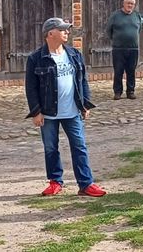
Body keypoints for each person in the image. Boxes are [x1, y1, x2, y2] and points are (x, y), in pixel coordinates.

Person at [25, 17, 106, 198]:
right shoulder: (36, 59)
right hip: (48, 112)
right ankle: (55, 182)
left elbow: (82, 80)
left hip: (72, 111)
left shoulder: (74, 54)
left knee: (80, 146)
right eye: (62, 30)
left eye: (67, 29)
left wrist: (85, 103)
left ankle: (86, 184)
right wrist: (36, 111)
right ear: (50, 33)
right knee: (51, 147)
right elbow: (31, 88)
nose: (67, 32)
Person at [106, 0, 143, 100]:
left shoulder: (137, 16)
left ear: (134, 5)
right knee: (118, 71)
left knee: (131, 71)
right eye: (128, 3)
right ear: (124, 3)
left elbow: (139, 29)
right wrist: (117, 40)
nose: (130, 5)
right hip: (118, 49)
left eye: (132, 4)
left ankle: (130, 91)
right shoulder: (115, 15)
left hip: (133, 49)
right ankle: (117, 92)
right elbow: (109, 30)